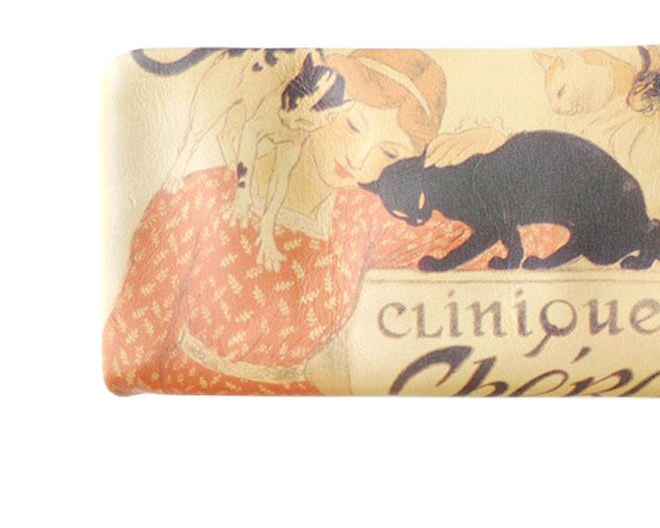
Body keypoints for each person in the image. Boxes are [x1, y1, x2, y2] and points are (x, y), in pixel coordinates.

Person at [103, 48, 563, 395]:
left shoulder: (362, 215)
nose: (359, 160)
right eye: (353, 126)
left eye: (390, 153)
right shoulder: (198, 196)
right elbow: (128, 354)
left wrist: (500, 158)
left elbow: (538, 236)